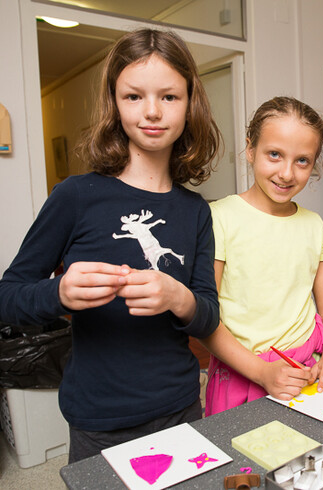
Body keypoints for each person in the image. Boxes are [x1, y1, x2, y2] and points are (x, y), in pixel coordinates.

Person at [0, 28, 221, 462]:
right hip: (98, 419)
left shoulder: (196, 210)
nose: (152, 112)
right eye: (134, 96)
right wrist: (58, 292)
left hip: (180, 408)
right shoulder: (75, 196)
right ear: (114, 103)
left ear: (190, 103)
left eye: (170, 97)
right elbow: (7, 296)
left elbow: (208, 315)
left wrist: (180, 297)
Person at [201, 96, 323, 416]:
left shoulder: (312, 224)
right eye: (274, 155)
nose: (286, 173)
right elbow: (205, 317)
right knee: (241, 462)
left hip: (304, 373)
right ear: (250, 149)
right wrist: (262, 373)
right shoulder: (218, 218)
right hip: (242, 373)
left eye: (302, 161)